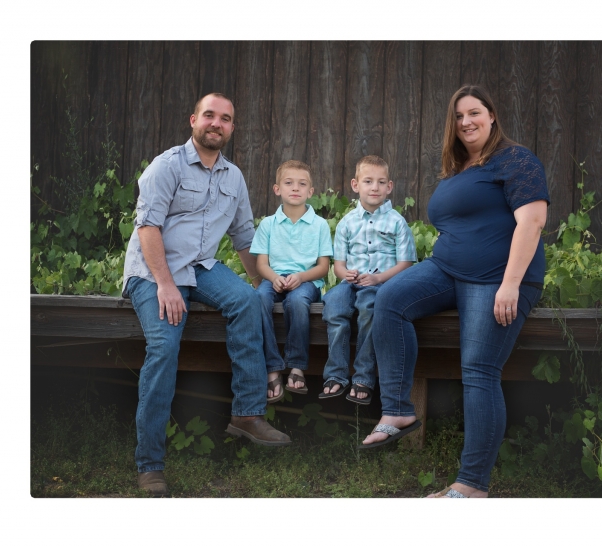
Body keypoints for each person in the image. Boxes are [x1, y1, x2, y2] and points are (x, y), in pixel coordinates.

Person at [361, 86, 550, 499]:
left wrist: (511, 285)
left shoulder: (516, 160)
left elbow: (532, 222)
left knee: (479, 370)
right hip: (446, 269)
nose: (466, 121)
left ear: (492, 115)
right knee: (390, 300)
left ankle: (470, 486)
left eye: (474, 113)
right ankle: (397, 410)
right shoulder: (460, 167)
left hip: (496, 278)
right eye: (459, 115)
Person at [122, 93, 291, 497]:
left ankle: (247, 414)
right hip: (154, 270)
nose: (217, 123)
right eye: (210, 116)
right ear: (193, 119)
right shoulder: (167, 166)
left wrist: (260, 283)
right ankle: (150, 464)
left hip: (200, 268)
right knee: (164, 346)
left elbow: (244, 239)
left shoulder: (234, 177)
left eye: (226, 119)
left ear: (232, 128)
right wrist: (165, 284)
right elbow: (148, 228)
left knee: (249, 303)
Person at [320, 155, 416, 404]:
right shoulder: (346, 223)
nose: (375, 187)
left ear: (389, 187)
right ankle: (336, 375)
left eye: (381, 182)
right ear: (355, 185)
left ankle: (363, 377)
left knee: (368, 312)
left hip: (380, 284)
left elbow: (406, 263)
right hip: (349, 283)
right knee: (335, 310)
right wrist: (345, 274)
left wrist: (378, 279)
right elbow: (339, 265)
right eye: (368, 181)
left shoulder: (397, 222)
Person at [250, 160, 332, 400]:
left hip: (306, 281)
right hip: (274, 279)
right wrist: (275, 278)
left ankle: (296, 366)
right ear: (277, 189)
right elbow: (261, 264)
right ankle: (272, 367)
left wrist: (300, 277)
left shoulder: (319, 225)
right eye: (289, 183)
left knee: (297, 302)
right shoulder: (267, 225)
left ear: (311, 191)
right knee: (259, 299)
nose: (295, 188)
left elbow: (323, 267)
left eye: (302, 184)